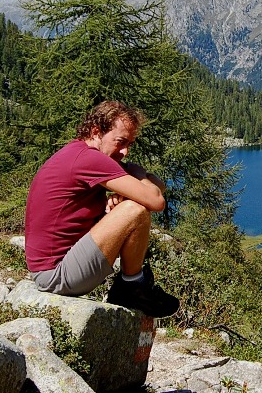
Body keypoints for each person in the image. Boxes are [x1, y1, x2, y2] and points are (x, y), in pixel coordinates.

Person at [24, 100, 179, 318]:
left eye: (130, 144)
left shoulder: (78, 153)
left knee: (130, 204)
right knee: (135, 209)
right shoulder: (89, 159)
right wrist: (135, 180)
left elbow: (157, 184)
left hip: (56, 267)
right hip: (56, 275)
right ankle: (133, 287)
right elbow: (156, 201)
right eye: (120, 142)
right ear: (96, 132)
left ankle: (130, 286)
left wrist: (130, 187)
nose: (125, 151)